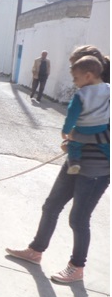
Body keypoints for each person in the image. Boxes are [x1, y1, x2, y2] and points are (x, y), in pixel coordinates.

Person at [6, 45, 110, 284]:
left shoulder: (107, 96)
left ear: (91, 72)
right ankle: (35, 251)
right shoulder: (87, 95)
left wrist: (76, 137)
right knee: (51, 206)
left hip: (96, 170)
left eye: (76, 75)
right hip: (74, 162)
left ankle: (77, 267)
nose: (73, 81)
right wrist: (72, 140)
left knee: (78, 219)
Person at [62, 55, 110, 174]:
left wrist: (66, 130)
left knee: (74, 145)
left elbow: (72, 115)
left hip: (82, 129)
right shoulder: (109, 89)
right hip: (102, 128)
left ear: (88, 76)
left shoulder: (81, 94)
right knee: (106, 146)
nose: (74, 82)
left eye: (75, 78)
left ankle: (74, 163)